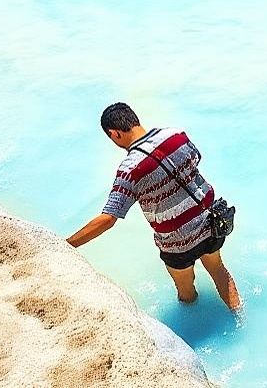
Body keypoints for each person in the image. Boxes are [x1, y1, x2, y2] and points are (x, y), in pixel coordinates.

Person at [67, 102, 241, 312]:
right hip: (208, 222)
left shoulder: (129, 170)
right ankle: (239, 316)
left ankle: (193, 321)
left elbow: (108, 219)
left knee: (186, 293)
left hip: (177, 243)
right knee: (219, 271)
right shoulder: (175, 135)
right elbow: (195, 159)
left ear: (114, 134)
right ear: (134, 119)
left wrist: (68, 244)